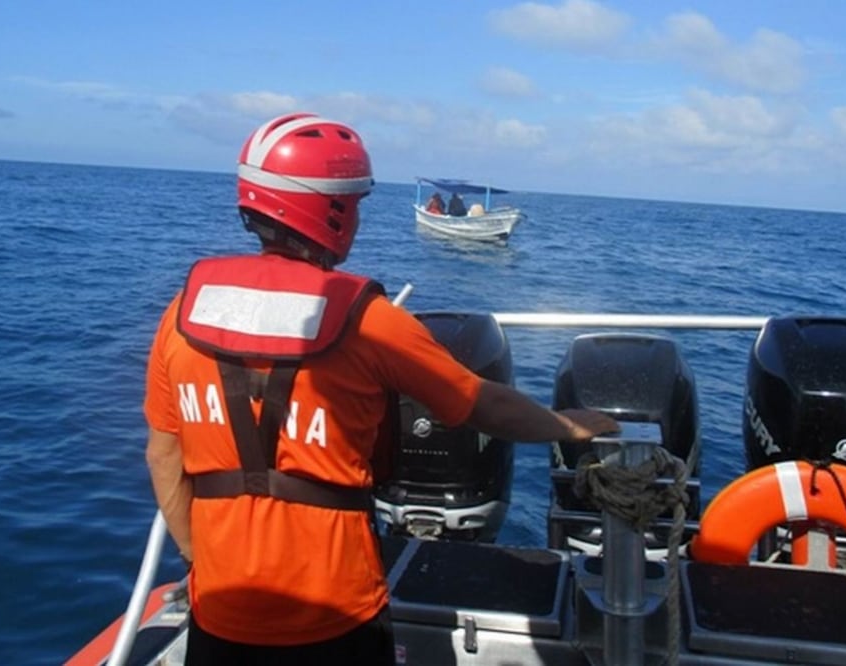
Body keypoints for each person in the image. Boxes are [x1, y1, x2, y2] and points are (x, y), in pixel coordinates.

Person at [142, 112, 619, 666]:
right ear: (332, 210)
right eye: (356, 204)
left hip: (220, 612)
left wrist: (200, 556)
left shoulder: (184, 313)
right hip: (336, 615)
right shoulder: (368, 320)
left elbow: (163, 454)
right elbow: (479, 403)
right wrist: (569, 425)